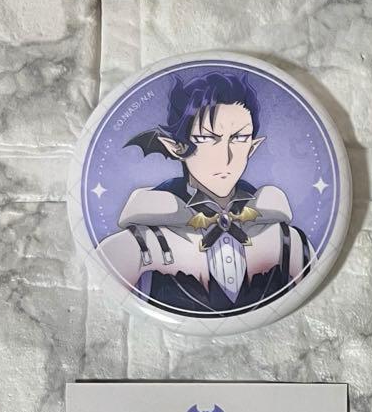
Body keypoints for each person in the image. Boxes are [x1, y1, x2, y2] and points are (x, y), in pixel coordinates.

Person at [94, 71, 312, 315]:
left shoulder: (287, 240)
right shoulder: (138, 243)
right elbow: (104, 305)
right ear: (177, 147)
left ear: (253, 146)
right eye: (207, 138)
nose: (225, 156)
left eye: (239, 138)